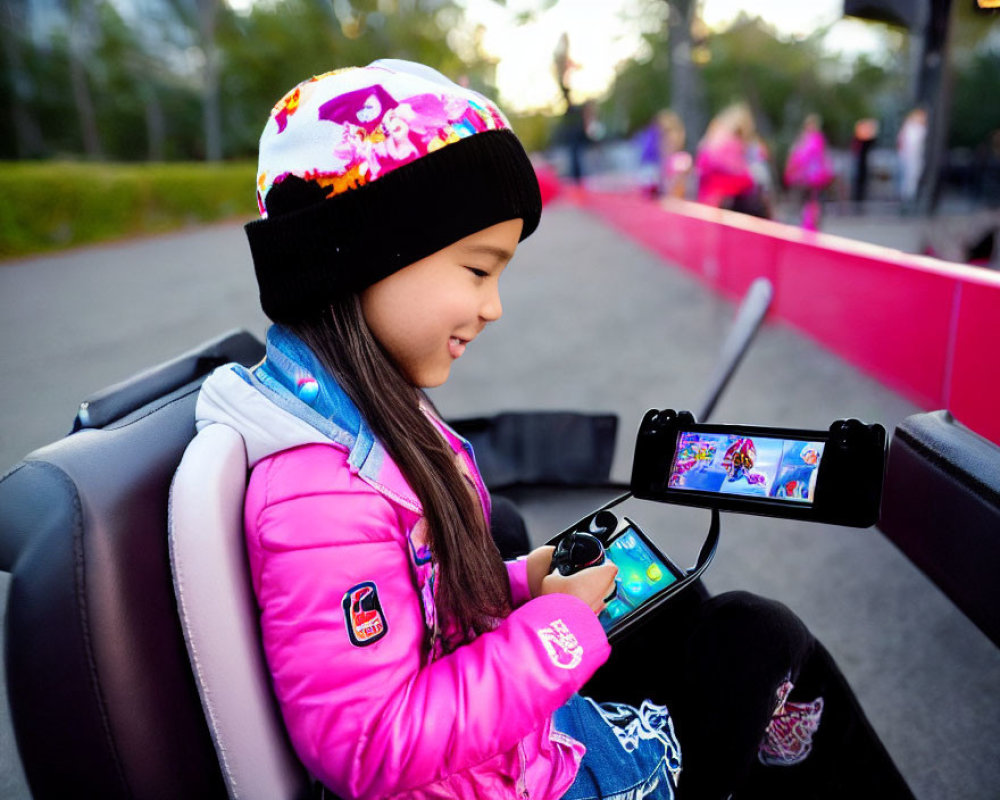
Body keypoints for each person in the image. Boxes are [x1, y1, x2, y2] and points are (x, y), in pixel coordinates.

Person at [194, 60, 914, 800]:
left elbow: (424, 617)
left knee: (693, 614)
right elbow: (374, 747)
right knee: (760, 639)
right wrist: (556, 627)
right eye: (478, 271)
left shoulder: (368, 427)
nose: (494, 305)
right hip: (530, 778)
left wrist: (521, 586)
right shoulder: (320, 493)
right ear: (367, 255)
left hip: (517, 754)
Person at [784, 114, 836, 230]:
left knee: (812, 201)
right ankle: (808, 223)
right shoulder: (807, 139)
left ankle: (810, 223)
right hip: (807, 178)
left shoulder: (812, 139)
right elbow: (798, 157)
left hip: (813, 178)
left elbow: (819, 158)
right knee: (809, 201)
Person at [897, 107, 927, 212]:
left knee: (911, 180)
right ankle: (907, 203)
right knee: (909, 181)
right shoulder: (913, 129)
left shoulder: (914, 128)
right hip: (910, 158)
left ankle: (908, 202)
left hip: (912, 158)